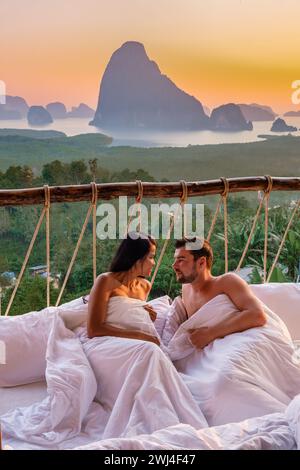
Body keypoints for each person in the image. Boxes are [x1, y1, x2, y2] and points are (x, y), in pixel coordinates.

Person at [172, 237, 267, 350]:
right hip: (207, 351)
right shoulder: (186, 289)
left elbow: (258, 315)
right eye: (175, 260)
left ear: (201, 262)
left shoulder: (227, 282)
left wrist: (210, 333)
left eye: (181, 260)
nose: (174, 265)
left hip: (241, 344)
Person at [87, 232, 160, 345]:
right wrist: (140, 336)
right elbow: (93, 329)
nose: (153, 263)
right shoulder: (105, 280)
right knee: (149, 350)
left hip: (132, 342)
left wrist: (147, 317)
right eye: (151, 257)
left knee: (151, 350)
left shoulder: (145, 286)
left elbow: (128, 318)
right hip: (105, 341)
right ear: (136, 257)